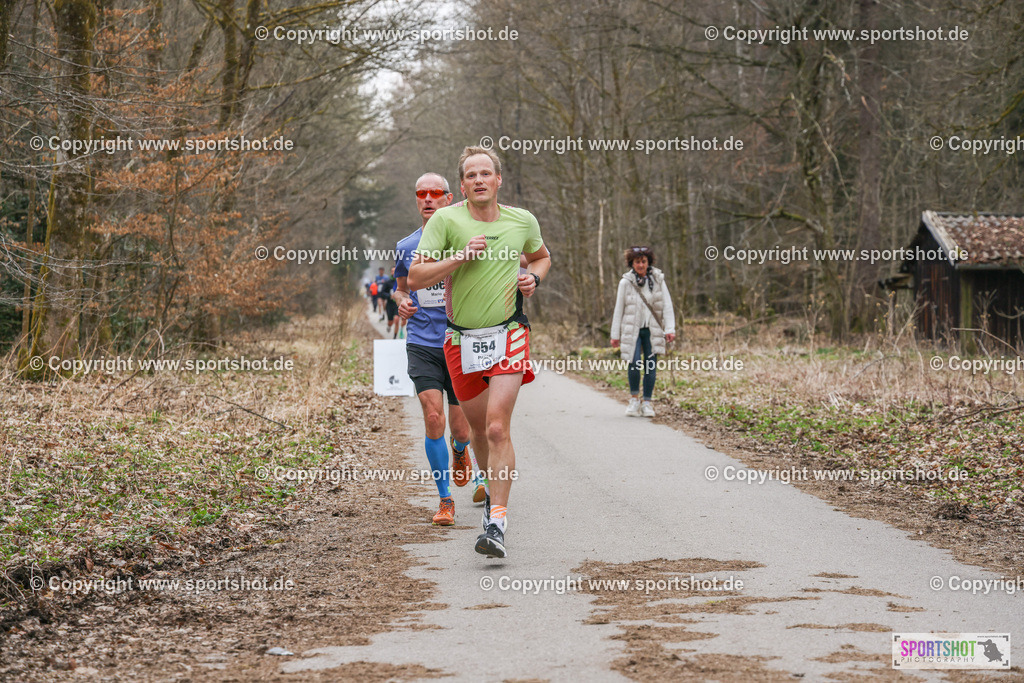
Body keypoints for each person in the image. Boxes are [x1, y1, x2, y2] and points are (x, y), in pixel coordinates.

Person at [409, 146, 551, 558]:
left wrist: (533, 280)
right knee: (475, 435)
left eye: (485, 173)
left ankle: (497, 521)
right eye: (470, 175)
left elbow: (541, 257)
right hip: (460, 341)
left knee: (495, 427)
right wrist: (459, 257)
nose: (478, 180)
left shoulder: (521, 220)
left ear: (498, 179)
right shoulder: (447, 221)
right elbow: (416, 276)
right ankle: (490, 497)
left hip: (509, 332)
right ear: (462, 185)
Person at [394, 173, 484, 525]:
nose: (428, 199)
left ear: (449, 199)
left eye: (435, 193)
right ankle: (446, 500)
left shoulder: (467, 239)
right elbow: (400, 288)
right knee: (434, 418)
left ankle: (461, 450)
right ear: (416, 200)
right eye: (421, 193)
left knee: (462, 429)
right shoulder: (406, 246)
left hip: (461, 341)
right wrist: (401, 300)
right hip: (422, 342)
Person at [610, 246, 676, 417]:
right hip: (632, 329)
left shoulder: (658, 280)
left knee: (650, 366)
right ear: (632, 263)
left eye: (643, 261)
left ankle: (647, 402)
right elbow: (619, 309)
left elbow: (667, 306)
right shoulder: (626, 282)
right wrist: (614, 335)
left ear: (648, 262)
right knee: (633, 363)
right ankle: (634, 400)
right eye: (637, 262)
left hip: (653, 330)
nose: (640, 265)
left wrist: (670, 329)